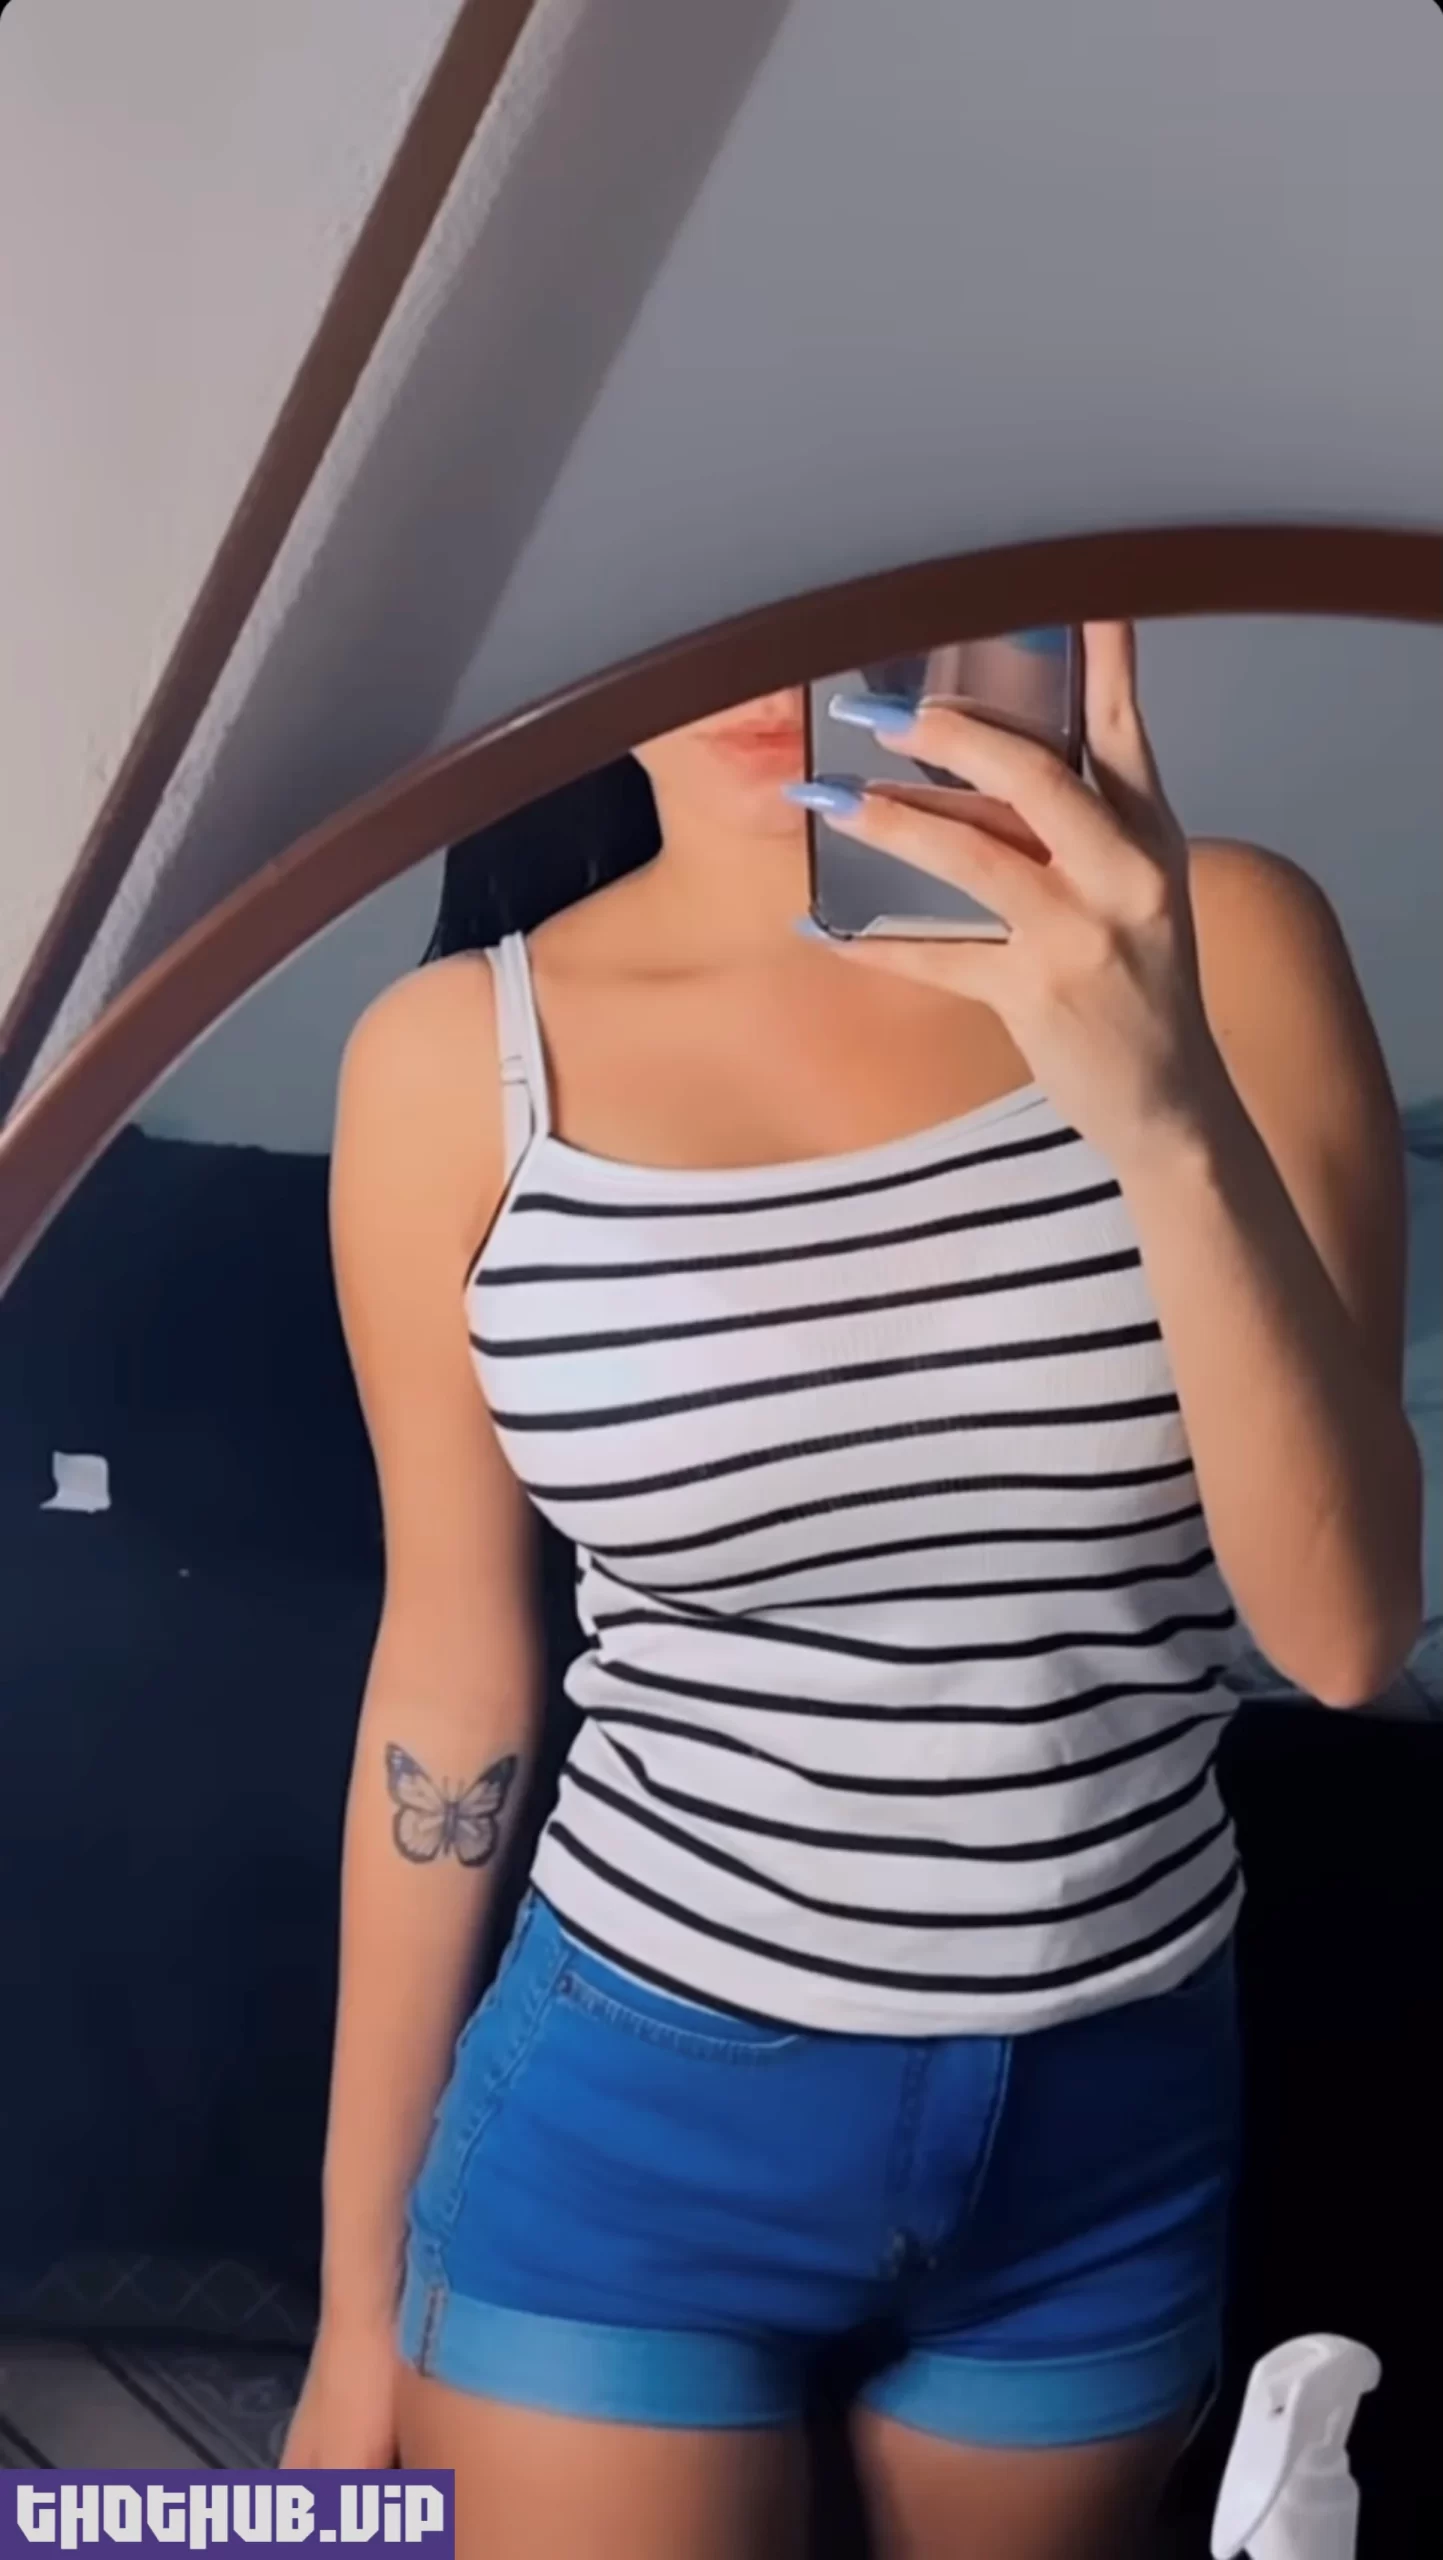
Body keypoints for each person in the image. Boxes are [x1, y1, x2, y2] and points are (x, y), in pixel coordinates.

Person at [282, 623, 1421, 2560]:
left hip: (1109, 2120)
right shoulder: (449, 1064)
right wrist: (346, 2313)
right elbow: (448, 1682)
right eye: (710, 602)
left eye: (848, 589)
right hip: (635, 2097)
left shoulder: (1222, 938)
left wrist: (1154, 1095)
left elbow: (1341, 1632)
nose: (776, 667)